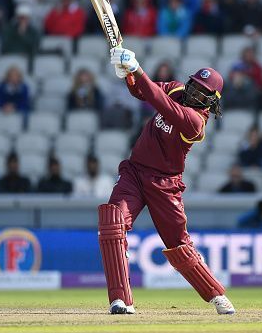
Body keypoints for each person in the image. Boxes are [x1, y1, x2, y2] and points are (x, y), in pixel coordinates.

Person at [98, 46, 235, 315]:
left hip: (165, 184)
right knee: (113, 222)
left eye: (202, 91)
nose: (194, 92)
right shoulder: (176, 89)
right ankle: (120, 299)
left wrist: (137, 69)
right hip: (134, 173)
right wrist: (128, 74)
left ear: (212, 101)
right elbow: (142, 91)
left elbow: (160, 102)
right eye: (194, 84)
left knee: (178, 244)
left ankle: (215, 293)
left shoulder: (196, 123)